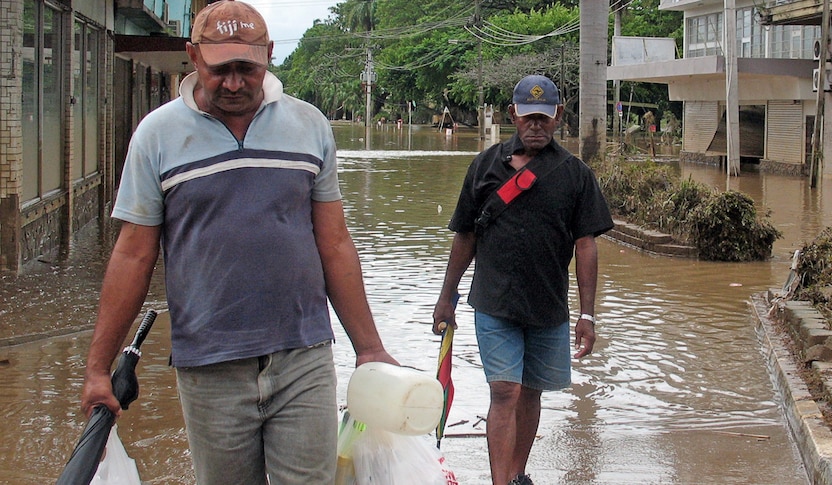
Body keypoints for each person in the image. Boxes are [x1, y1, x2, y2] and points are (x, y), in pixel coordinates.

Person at [80, 1, 397, 483]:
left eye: (246, 69)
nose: (233, 83)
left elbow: (333, 242)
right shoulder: (157, 135)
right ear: (192, 56)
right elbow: (133, 253)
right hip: (209, 365)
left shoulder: (309, 126)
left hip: (303, 357)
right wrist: (98, 368)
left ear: (269, 55)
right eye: (220, 69)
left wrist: (369, 347)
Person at [432, 74, 614, 485]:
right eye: (528, 117)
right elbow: (465, 235)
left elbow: (586, 245)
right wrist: (448, 297)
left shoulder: (576, 175)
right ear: (512, 115)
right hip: (494, 303)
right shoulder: (484, 166)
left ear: (559, 117)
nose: (536, 125)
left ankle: (517, 474)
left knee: (531, 392)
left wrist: (588, 314)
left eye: (544, 118)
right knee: (505, 392)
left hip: (548, 306)